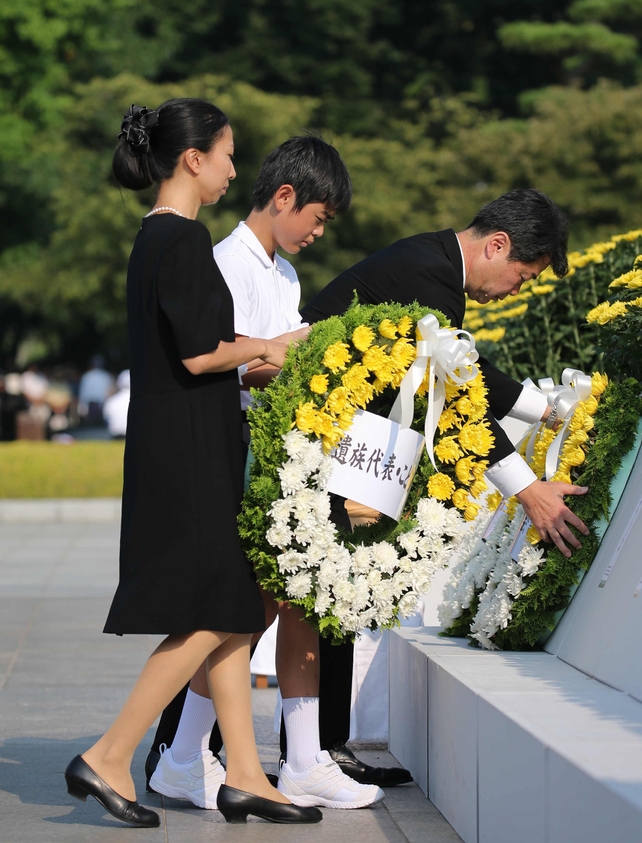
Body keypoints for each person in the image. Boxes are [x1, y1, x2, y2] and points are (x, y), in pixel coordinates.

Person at [63, 98, 322, 827]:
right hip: (189, 448)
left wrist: (255, 345)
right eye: (229, 153)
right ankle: (111, 754)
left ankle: (244, 773)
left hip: (183, 439)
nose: (236, 168)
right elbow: (200, 353)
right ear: (193, 158)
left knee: (234, 609)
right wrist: (274, 346)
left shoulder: (160, 239)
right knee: (214, 613)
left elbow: (197, 340)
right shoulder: (181, 238)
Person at [300, 188, 591, 764]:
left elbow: (465, 374)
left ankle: (319, 750)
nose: (516, 289)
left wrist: (552, 411)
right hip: (315, 440)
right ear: (498, 245)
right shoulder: (431, 277)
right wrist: (529, 490)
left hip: (345, 441)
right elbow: (459, 398)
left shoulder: (434, 265)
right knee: (299, 602)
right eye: (523, 277)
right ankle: (224, 751)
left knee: (328, 599)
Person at [146, 135, 387, 810]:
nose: (317, 232)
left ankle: (294, 758)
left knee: (292, 600)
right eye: (317, 216)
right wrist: (312, 359)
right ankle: (187, 755)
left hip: (282, 456)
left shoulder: (282, 273)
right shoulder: (228, 264)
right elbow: (233, 361)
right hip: (241, 454)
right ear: (284, 197)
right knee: (244, 610)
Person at [78, 355, 114, 425]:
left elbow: (83, 392)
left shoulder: (87, 376)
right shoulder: (106, 376)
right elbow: (110, 391)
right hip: (100, 403)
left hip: (94, 404)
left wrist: (82, 405)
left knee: (92, 425)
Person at [102, 370, 130, 439]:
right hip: (135, 436)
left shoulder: (112, 401)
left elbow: (106, 418)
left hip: (116, 436)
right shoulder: (141, 401)